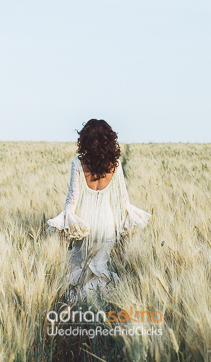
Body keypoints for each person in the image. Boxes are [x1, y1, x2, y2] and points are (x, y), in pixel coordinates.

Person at [47, 119, 151, 303]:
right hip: (106, 223)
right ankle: (103, 304)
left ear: (84, 140)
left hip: (84, 222)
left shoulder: (78, 164)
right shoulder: (115, 164)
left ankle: (79, 305)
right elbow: (124, 200)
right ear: (109, 140)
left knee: (81, 266)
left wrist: (64, 228)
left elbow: (71, 201)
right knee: (102, 266)